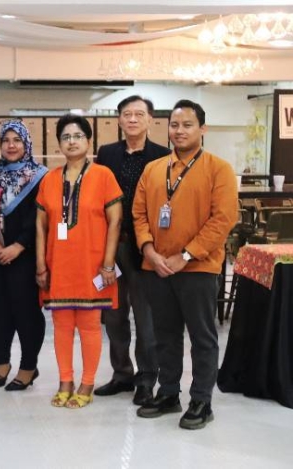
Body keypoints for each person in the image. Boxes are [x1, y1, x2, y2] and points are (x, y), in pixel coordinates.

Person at [134, 99, 237, 430]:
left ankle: (201, 400)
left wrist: (186, 255)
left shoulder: (218, 169)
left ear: (202, 129)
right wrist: (148, 250)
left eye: (188, 125)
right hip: (157, 267)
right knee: (164, 335)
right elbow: (138, 214)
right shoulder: (153, 170)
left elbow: (223, 220)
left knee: (202, 336)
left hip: (198, 269)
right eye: (174, 125)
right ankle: (168, 393)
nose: (179, 131)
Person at [35, 114, 122, 409]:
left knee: (89, 325)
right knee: (60, 326)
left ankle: (87, 382)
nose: (72, 141)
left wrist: (108, 264)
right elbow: (41, 225)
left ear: (89, 141)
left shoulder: (103, 176)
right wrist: (40, 265)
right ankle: (65, 381)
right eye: (66, 137)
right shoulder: (49, 179)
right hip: (59, 265)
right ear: (59, 143)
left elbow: (115, 221)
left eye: (77, 136)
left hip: (92, 264)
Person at [93, 96, 171, 405]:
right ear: (119, 120)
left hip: (145, 246)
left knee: (146, 316)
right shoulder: (107, 154)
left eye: (140, 114)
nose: (134, 119)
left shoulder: (163, 156)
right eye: (128, 114)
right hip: (112, 245)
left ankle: (147, 377)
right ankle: (121, 373)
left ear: (151, 119)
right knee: (113, 315)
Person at [0, 120, 47, 392]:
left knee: (25, 311)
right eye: (6, 140)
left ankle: (29, 366)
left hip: (24, 256)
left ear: (26, 143)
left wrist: (18, 246)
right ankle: (1, 362)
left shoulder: (40, 176)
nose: (11, 145)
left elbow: (39, 217)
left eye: (17, 140)